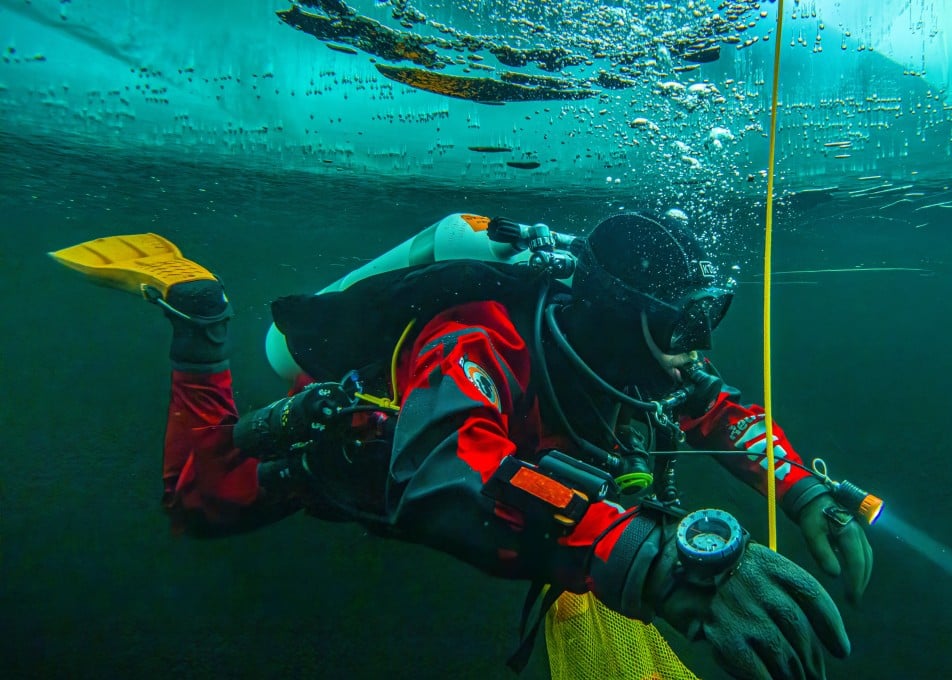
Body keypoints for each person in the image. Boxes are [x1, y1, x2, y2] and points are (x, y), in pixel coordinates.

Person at [52, 213, 875, 680]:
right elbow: (452, 464)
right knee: (198, 505)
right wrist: (646, 559)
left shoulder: (640, 355)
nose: (697, 349)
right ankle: (200, 324)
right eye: (680, 328)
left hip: (526, 471)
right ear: (622, 322)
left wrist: (799, 490)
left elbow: (716, 407)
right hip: (360, 450)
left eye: (707, 321)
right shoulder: (473, 339)